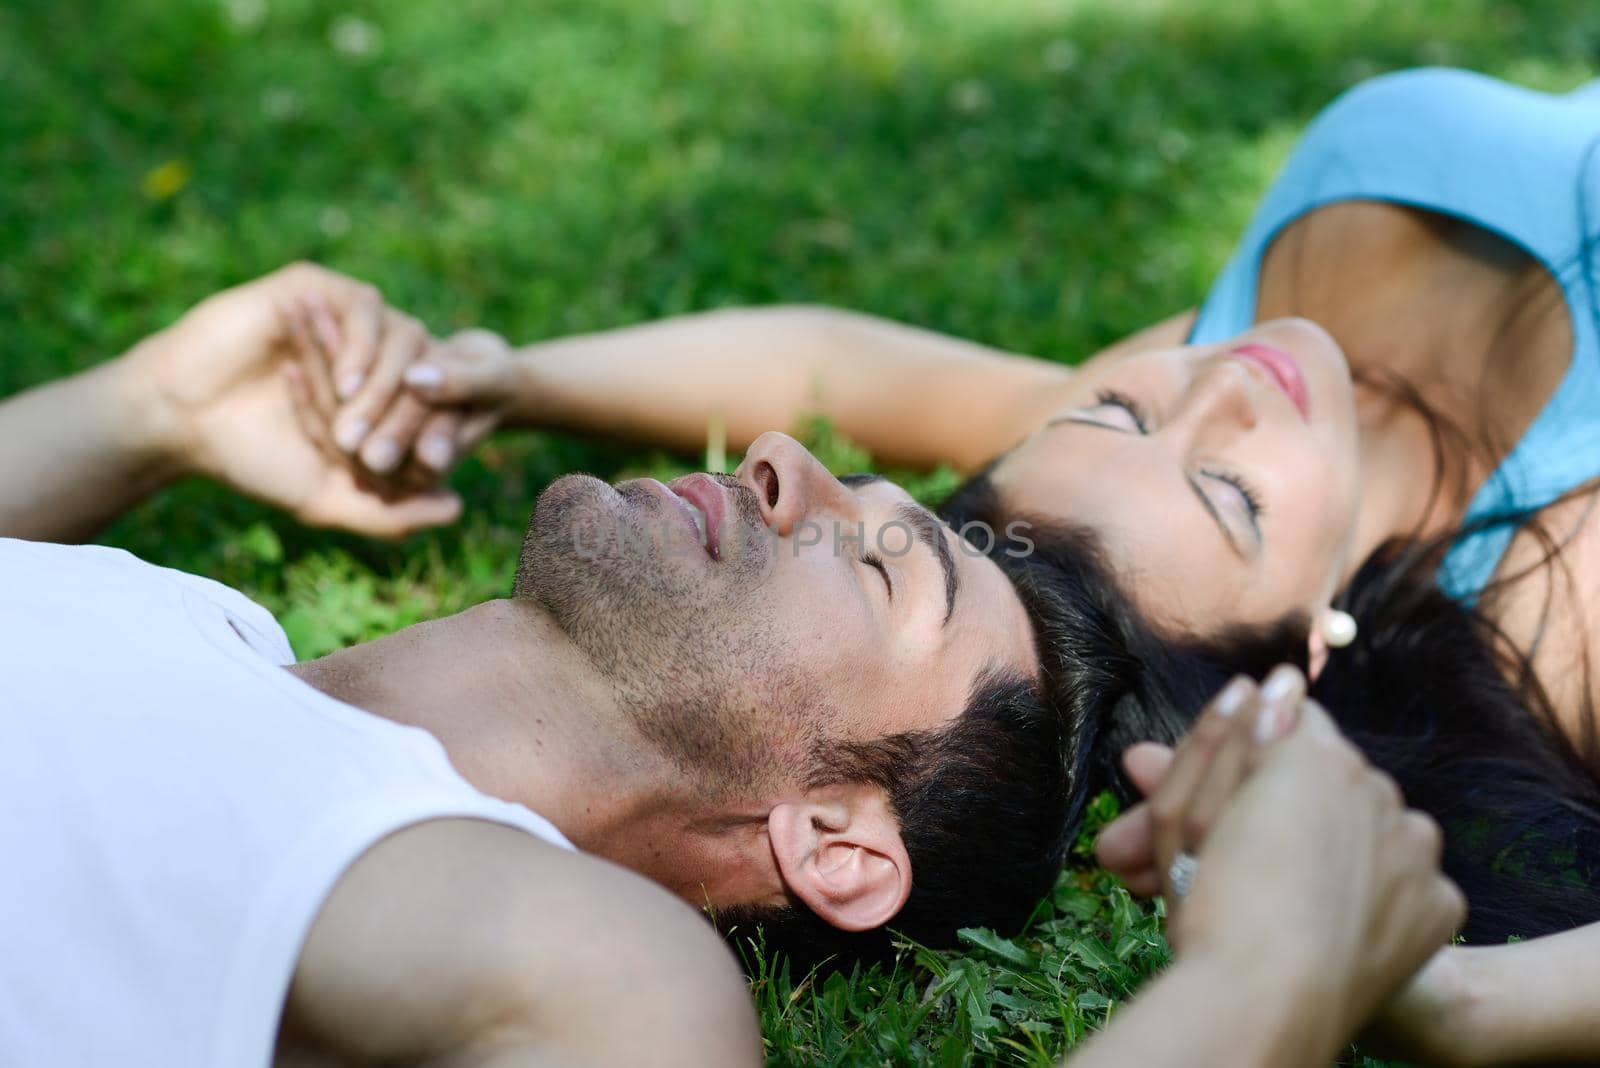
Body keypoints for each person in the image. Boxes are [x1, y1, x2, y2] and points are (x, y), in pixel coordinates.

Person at [309, 69, 1600, 1057]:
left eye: (1112, 410)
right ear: (1313, 644)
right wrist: (1463, 1001)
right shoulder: (1564, 585)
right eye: (1230, 495)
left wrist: (511, 375)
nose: (1216, 386)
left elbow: (840, 366)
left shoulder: (1162, 421)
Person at [0, 263, 1472, 1068]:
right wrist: (150, 412)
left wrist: (1270, 980)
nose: (777, 461)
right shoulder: (189, 619)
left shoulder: (568, 954)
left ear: (836, 838)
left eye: (886, 563)